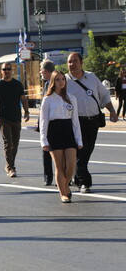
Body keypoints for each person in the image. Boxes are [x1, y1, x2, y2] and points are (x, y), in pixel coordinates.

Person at [65, 52, 118, 193]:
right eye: (69, 61)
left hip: (93, 121)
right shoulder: (64, 81)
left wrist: (112, 110)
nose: (72, 64)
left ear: (81, 63)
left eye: (75, 61)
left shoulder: (92, 77)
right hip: (76, 122)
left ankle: (75, 175)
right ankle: (84, 182)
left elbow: (104, 95)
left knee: (88, 151)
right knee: (81, 152)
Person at [40, 71, 83, 203]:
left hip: (68, 131)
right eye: (57, 79)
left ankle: (65, 185)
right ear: (53, 82)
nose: (61, 82)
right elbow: (44, 121)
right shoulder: (47, 99)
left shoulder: (72, 98)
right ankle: (63, 193)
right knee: (59, 166)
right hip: (54, 132)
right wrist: (43, 140)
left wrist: (79, 139)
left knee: (70, 164)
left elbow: (75, 121)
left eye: (62, 79)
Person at [0, 62, 30, 178]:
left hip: (16, 117)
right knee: (8, 142)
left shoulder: (17, 84)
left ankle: (10, 164)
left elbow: (23, 99)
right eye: (4, 69)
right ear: (1, 71)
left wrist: (26, 112)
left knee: (15, 144)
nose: (6, 71)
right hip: (3, 118)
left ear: (11, 70)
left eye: (8, 69)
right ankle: (10, 167)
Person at [37, 60, 55, 186]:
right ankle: (48, 177)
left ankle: (64, 176)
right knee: (46, 149)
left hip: (57, 121)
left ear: (47, 71)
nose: (40, 72)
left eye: (41, 70)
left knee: (60, 151)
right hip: (46, 122)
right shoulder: (45, 84)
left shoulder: (58, 83)